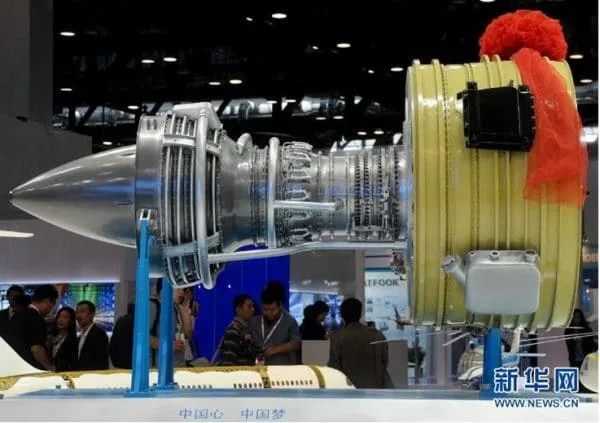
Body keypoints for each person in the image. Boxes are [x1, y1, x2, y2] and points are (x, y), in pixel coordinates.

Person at [327, 298, 393, 389]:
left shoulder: (338, 337)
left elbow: (334, 367)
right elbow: (384, 361)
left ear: (342, 314)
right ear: (360, 313)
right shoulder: (377, 334)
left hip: (349, 389)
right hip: (376, 387)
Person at [5, 285, 58, 370]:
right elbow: (36, 349)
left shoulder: (17, 315)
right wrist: (50, 368)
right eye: (52, 305)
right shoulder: (36, 318)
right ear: (47, 301)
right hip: (27, 368)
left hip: (11, 364)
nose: (51, 309)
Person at [250, 286, 301, 365]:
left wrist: (276, 349)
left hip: (281, 366)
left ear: (280, 305)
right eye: (265, 309)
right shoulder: (254, 321)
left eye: (272, 310)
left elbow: (296, 343)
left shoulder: (290, 322)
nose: (268, 313)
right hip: (259, 366)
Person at [218, 294, 256, 366]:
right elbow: (229, 361)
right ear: (238, 309)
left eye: (253, 306)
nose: (253, 309)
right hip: (238, 372)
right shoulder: (233, 330)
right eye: (249, 307)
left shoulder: (249, 329)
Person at [74, 300, 109, 370]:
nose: (78, 315)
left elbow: (101, 362)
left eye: (82, 311)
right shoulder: (79, 338)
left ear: (92, 314)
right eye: (77, 312)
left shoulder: (99, 334)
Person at [47, 307, 78, 372]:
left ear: (71, 321)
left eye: (65, 317)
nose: (60, 320)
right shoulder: (51, 337)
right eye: (59, 316)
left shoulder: (73, 341)